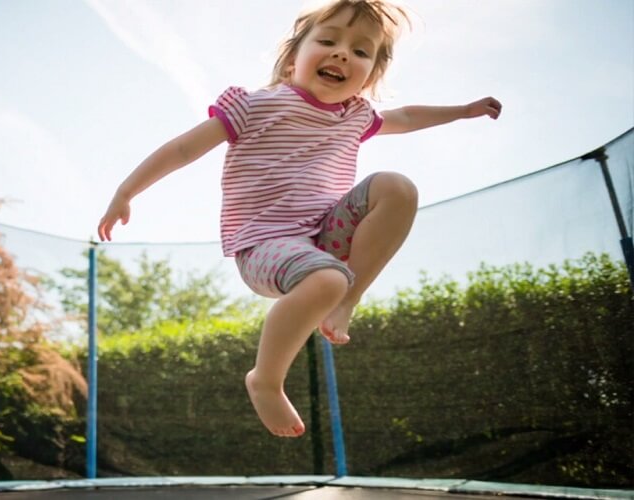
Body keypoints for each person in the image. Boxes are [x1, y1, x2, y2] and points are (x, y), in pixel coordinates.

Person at [96, 0, 502, 438]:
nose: (343, 53)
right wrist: (126, 191)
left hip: (324, 236)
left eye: (361, 52)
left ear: (368, 77)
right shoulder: (254, 106)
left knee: (397, 188)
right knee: (327, 279)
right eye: (328, 42)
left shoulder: (355, 116)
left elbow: (405, 117)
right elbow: (183, 149)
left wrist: (462, 111)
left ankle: (347, 300)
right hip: (263, 244)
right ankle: (265, 379)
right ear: (292, 62)